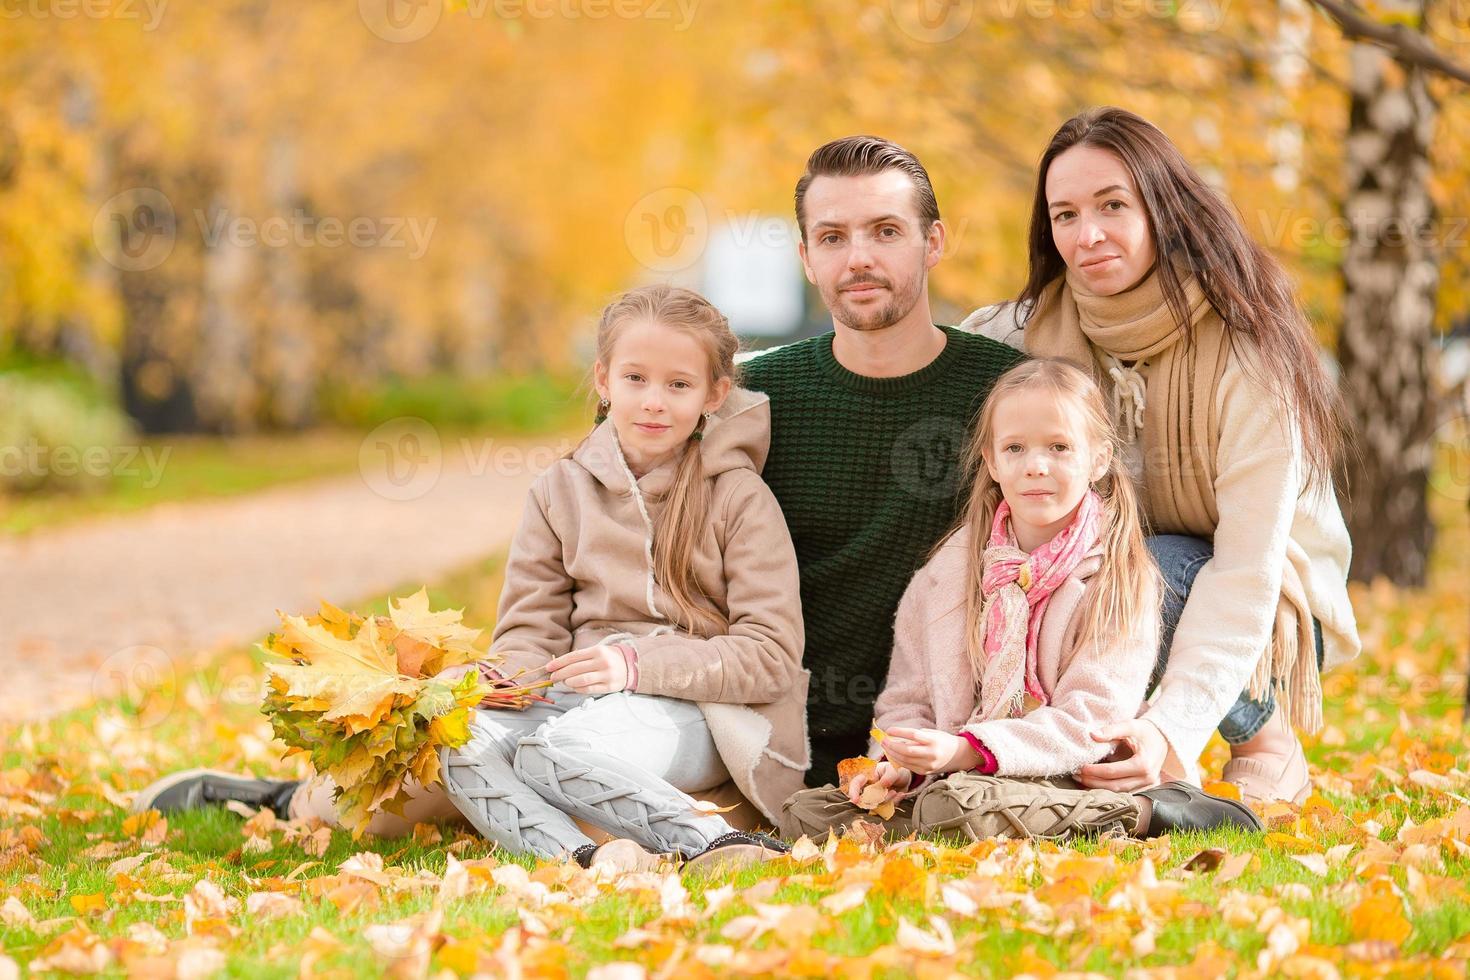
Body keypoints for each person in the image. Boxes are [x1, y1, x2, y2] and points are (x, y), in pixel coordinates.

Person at [132, 284, 807, 874]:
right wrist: (506, 678)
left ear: (715, 393)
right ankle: (580, 863)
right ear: (603, 380)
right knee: (451, 733)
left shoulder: (737, 499)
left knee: (553, 753)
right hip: (570, 709)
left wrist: (631, 665)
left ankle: (714, 843)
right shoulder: (561, 490)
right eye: (635, 379)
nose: (654, 402)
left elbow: (771, 655)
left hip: (689, 716)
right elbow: (530, 628)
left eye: (678, 385)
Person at [959, 106, 1360, 804]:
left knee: (1155, 564)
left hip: (1254, 605)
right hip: (1092, 582)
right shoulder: (1026, 333)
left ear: (1163, 209)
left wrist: (1170, 733)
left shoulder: (1249, 353)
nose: (1088, 235)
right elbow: (912, 361)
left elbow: (1245, 569)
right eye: (1065, 215)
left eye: (1113, 205)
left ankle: (1263, 735)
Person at [781, 359, 1261, 842]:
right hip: (956, 778)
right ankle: (934, 818)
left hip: (1070, 777)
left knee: (958, 805)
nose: (1036, 464)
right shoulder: (950, 571)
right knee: (807, 813)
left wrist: (968, 750)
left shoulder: (1119, 575)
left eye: (1058, 447)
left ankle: (1146, 814)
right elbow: (907, 696)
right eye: (1015, 447)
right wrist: (900, 765)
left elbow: (1090, 721)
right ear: (991, 461)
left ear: (1098, 459)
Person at [737, 135, 1026, 789]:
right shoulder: (754, 399)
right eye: (833, 238)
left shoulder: (1009, 393)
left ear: (934, 242)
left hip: (945, 743)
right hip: (769, 733)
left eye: (886, 231)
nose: (859, 257)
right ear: (807, 258)